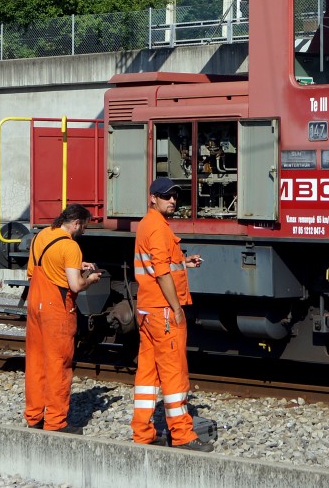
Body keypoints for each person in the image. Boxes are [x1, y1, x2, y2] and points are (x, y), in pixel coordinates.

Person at [131, 177, 212, 451]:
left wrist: (183, 262)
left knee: (147, 374)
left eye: (175, 196)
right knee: (174, 373)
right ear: (152, 197)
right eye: (167, 196)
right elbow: (161, 272)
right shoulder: (158, 228)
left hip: (147, 309)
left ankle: (142, 432)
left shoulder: (147, 225)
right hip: (163, 311)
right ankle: (182, 435)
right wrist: (176, 308)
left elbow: (159, 265)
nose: (173, 201)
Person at [24, 203, 103, 433]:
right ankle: (56, 423)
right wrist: (91, 279)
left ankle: (34, 417)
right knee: (58, 365)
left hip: (35, 304)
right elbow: (75, 284)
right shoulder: (71, 247)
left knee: (36, 363)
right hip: (56, 310)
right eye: (84, 227)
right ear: (76, 223)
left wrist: (75, 266)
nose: (84, 232)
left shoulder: (42, 235)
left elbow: (36, 269)